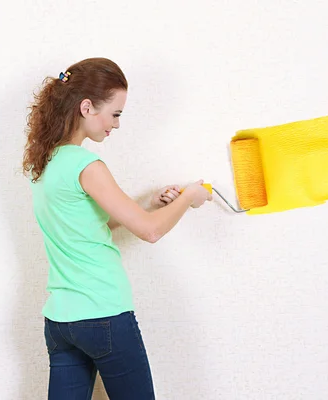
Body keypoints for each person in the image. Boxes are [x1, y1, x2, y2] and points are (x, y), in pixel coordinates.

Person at [22, 57, 212, 400]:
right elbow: (150, 233)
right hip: (103, 314)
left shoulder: (46, 163)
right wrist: (190, 198)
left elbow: (87, 223)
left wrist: (150, 203)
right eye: (115, 114)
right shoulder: (87, 165)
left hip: (61, 322)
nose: (117, 125)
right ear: (86, 107)